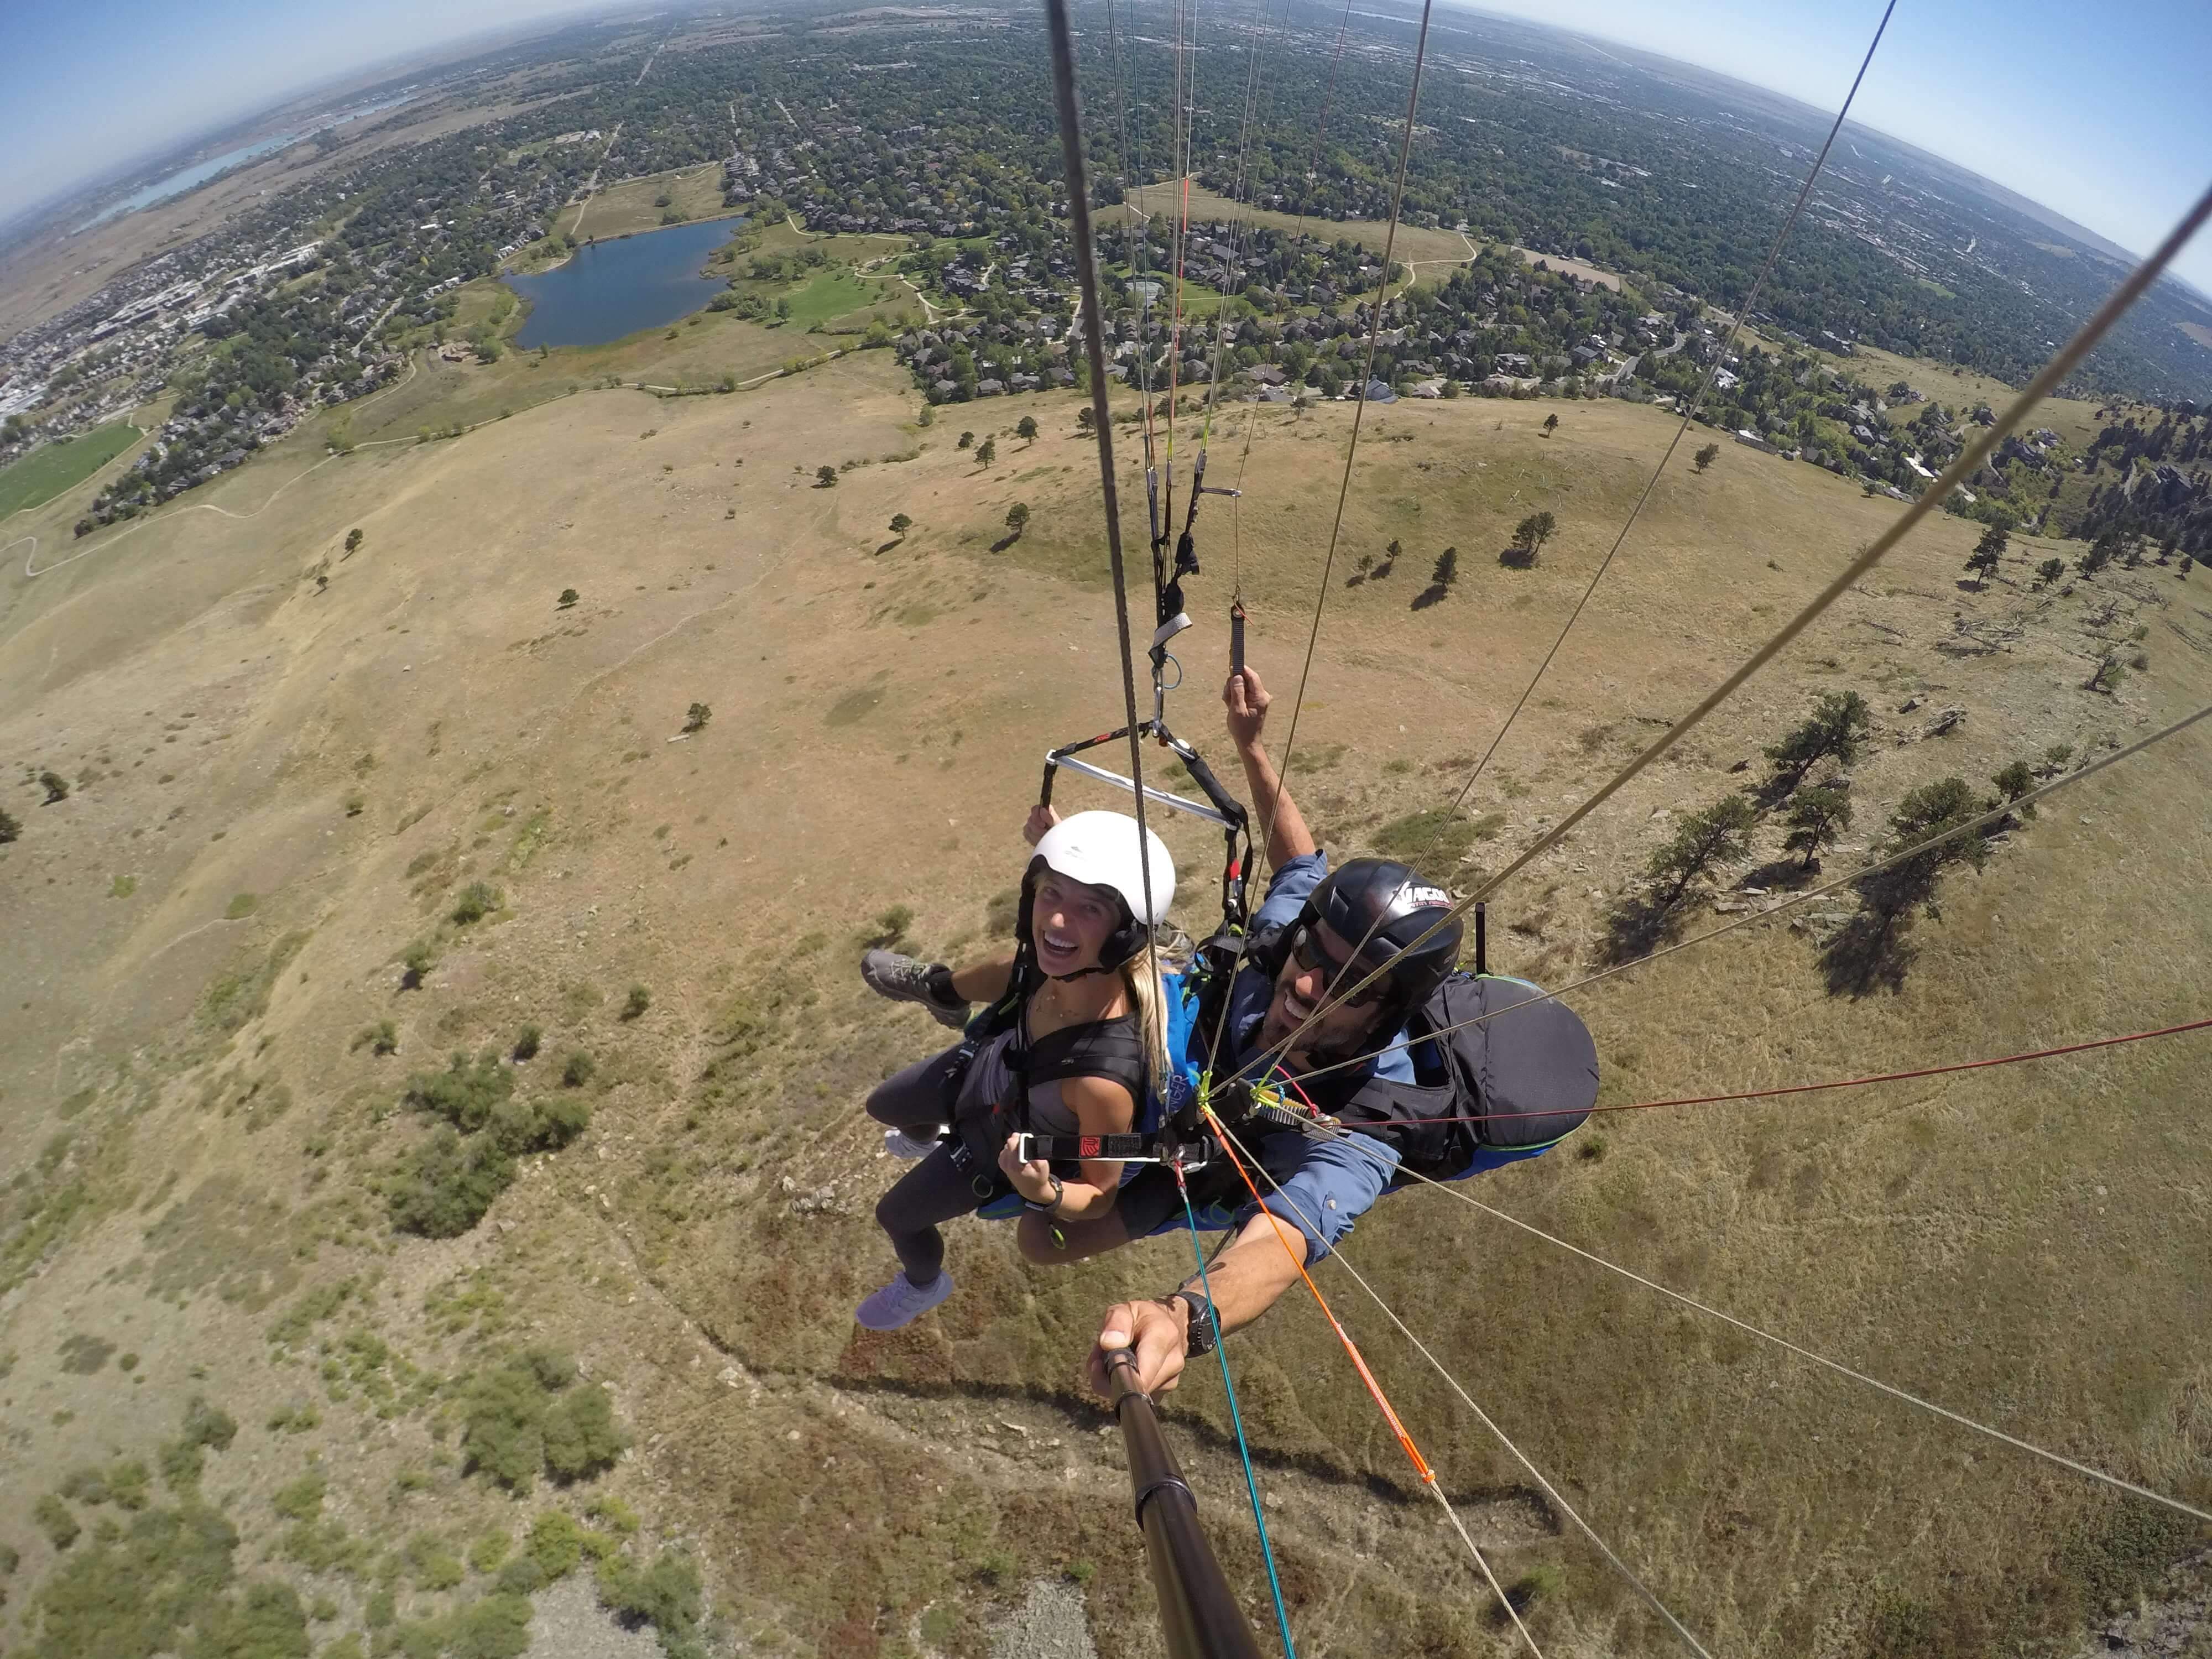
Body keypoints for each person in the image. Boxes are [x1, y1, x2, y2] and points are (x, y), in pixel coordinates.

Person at [865, 666, 1463, 1391]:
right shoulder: (1285, 942)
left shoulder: (1365, 1124)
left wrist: (1186, 1315)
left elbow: (1284, 1237)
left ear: (1387, 1011)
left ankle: (979, 1134)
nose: (1305, 984)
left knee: (1040, 1240)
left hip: (1184, 1154)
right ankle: (946, 1011)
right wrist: (1251, 749)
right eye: (1312, 955)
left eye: (1345, 985)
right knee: (1052, 971)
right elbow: (1301, 865)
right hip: (1167, 1034)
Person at [853, 810, 1176, 1331]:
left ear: (1123, 938)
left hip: (994, 1153)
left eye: (1088, 909)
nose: (1055, 923)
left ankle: (922, 1284)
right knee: (882, 1105)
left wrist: (1042, 1191)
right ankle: (929, 1133)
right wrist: (944, 988)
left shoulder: (1102, 1081)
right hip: (987, 1074)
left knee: (895, 1216)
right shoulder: (1048, 963)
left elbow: (1099, 1195)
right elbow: (1001, 975)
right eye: (1049, 895)